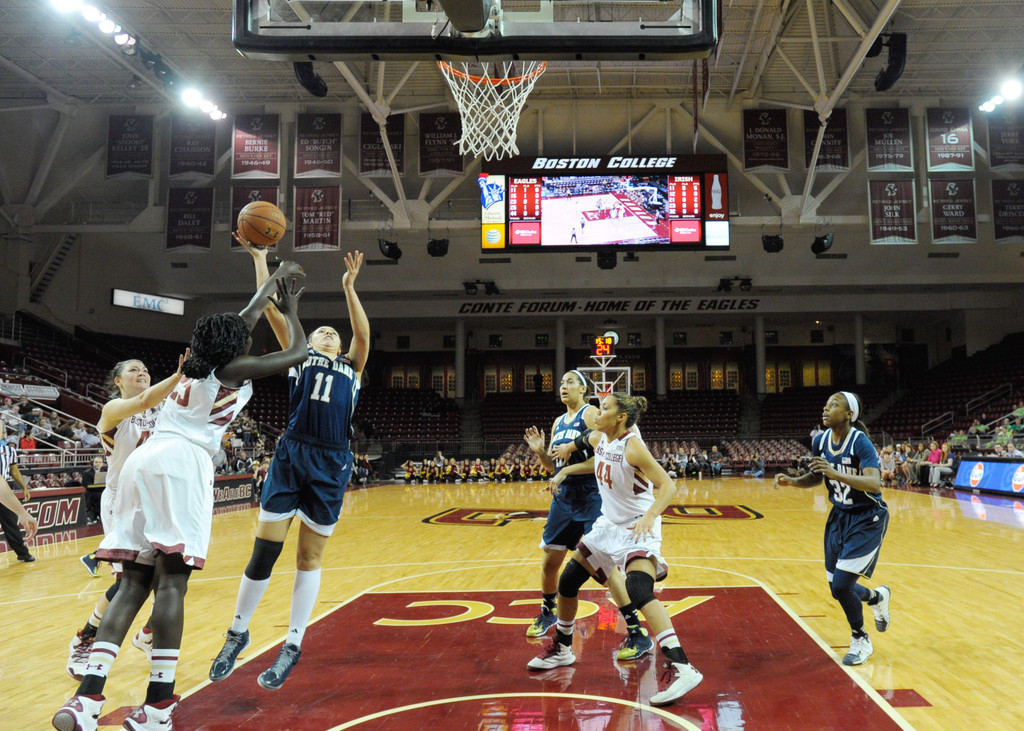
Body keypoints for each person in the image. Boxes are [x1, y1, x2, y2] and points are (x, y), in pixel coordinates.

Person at [53, 263, 307, 731]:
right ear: (235, 346)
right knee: (172, 584)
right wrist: (290, 308)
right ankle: (157, 707)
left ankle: (85, 699)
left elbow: (245, 316)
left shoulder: (199, 362)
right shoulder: (232, 368)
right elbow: (298, 353)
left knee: (133, 583)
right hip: (183, 464)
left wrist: (272, 278)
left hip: (142, 463)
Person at [208, 245, 368, 692]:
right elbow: (272, 306)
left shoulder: (353, 367)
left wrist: (349, 287)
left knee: (308, 558)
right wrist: (261, 260)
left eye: (333, 333)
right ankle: (237, 633)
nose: (329, 333)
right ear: (308, 342)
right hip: (292, 454)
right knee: (265, 551)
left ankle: (293, 644)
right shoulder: (299, 357)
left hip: (332, 461)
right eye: (320, 331)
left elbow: (362, 332)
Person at [528, 393, 703, 706]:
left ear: (621, 418)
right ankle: (564, 648)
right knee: (568, 581)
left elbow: (668, 485)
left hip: (638, 526)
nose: (597, 412)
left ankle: (683, 667)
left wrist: (650, 516)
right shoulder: (600, 436)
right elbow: (585, 440)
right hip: (608, 526)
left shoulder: (632, 446)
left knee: (638, 589)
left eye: (605, 408)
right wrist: (566, 457)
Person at [69, 356, 189, 682]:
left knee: (174, 576)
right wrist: (179, 375)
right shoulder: (113, 409)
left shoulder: (163, 408)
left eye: (145, 370)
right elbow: (144, 401)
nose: (142, 373)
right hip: (122, 502)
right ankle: (86, 638)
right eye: (133, 370)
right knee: (128, 583)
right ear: (118, 381)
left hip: (158, 501)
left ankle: (148, 635)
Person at [524, 371, 653, 662]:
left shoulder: (592, 414)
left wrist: (569, 470)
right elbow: (553, 467)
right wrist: (541, 453)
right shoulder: (559, 421)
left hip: (590, 496)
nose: (563, 386)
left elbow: (605, 456)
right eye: (561, 382)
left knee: (604, 567)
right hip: (563, 499)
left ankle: (635, 628)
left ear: (583, 389)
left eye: (570, 381)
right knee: (550, 562)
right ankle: (548, 612)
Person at [773, 391, 891, 667]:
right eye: (825, 405)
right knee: (838, 588)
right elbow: (817, 477)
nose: (825, 409)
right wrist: (793, 481)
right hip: (839, 517)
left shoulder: (860, 442)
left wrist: (835, 472)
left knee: (841, 585)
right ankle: (877, 597)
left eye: (834, 405)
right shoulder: (820, 440)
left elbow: (874, 483)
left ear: (849, 414)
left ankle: (861, 639)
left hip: (866, 518)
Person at [0, 425, 35, 563]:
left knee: (11, 524)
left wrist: (24, 488)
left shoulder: (9, 451)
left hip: (5, 489)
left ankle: (22, 553)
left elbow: (14, 471)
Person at [81, 456, 106, 526]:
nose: (98, 464)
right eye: (96, 462)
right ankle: (94, 516)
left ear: (102, 464)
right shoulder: (87, 473)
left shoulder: (105, 472)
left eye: (100, 462)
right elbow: (87, 486)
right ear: (93, 463)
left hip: (101, 491)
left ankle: (102, 516)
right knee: (98, 496)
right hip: (91, 492)